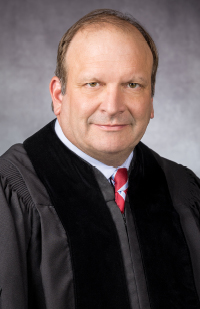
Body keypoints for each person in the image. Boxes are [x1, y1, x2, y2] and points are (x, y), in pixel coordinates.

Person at [0, 8, 200, 309]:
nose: (113, 106)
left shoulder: (182, 188)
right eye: (93, 83)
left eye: (133, 85)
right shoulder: (12, 193)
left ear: (151, 100)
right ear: (59, 95)